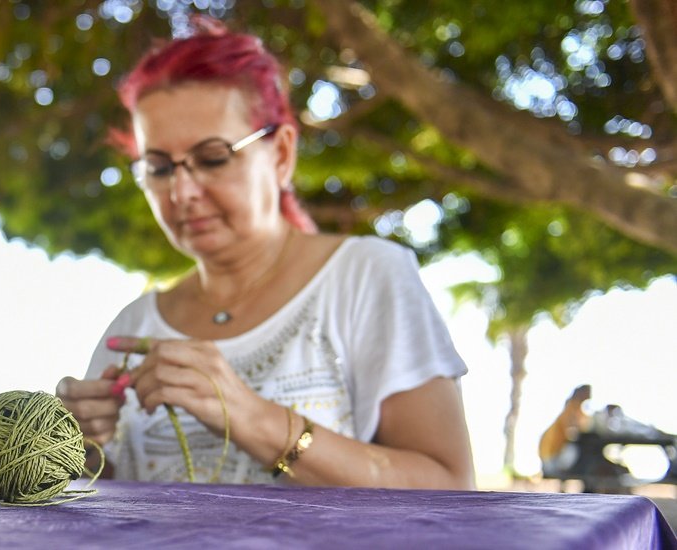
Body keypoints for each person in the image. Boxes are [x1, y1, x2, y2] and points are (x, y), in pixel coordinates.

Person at [56, 17, 475, 489]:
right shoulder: (133, 329)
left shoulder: (364, 276)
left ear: (280, 155)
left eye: (212, 157)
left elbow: (450, 485)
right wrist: (81, 450)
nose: (182, 191)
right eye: (158, 167)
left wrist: (252, 418)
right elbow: (108, 502)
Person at [538, 384, 592, 476]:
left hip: (552, 457)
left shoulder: (577, 408)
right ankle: (566, 473)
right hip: (550, 459)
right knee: (574, 449)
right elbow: (573, 429)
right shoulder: (570, 408)